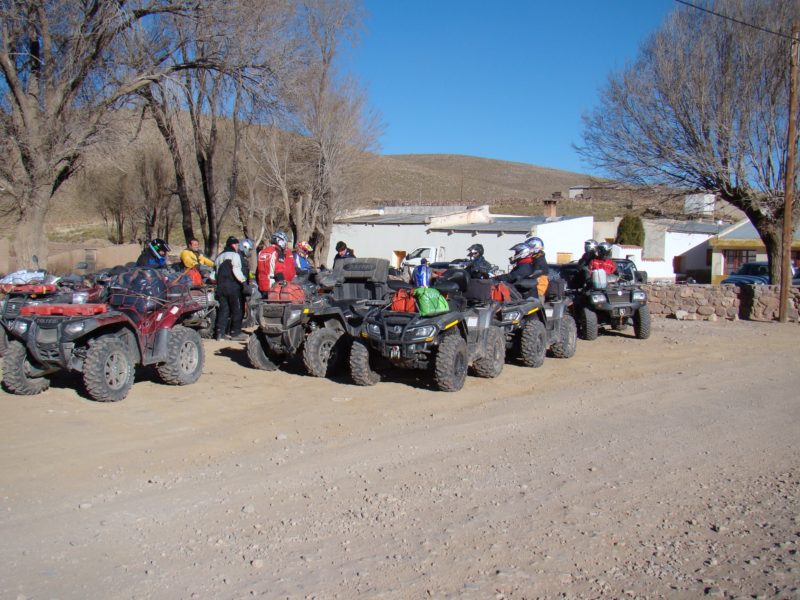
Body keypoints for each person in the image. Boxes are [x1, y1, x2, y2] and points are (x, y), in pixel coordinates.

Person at [214, 236, 247, 341]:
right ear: (233, 245)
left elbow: (215, 274)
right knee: (237, 310)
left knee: (224, 310)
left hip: (220, 287)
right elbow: (236, 270)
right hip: (233, 287)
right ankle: (235, 333)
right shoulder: (235, 255)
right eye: (237, 244)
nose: (238, 246)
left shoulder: (219, 257)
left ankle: (220, 333)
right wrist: (244, 283)